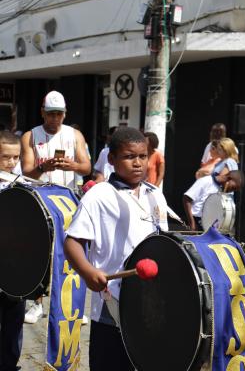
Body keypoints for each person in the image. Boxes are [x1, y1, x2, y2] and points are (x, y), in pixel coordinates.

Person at [64, 127, 168, 371]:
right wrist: (88, 272)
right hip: (111, 300)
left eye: (143, 156)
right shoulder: (99, 195)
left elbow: (162, 241)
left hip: (148, 300)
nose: (138, 163)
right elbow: (72, 242)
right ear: (112, 160)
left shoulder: (155, 195)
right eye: (129, 157)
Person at [21, 90, 91, 324]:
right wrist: (45, 166)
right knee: (41, 252)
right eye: (51, 114)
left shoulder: (74, 135)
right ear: (42, 113)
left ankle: (72, 304)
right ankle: (37, 303)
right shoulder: (31, 136)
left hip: (68, 200)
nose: (55, 119)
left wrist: (71, 165)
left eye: (59, 114)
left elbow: (86, 167)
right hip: (40, 199)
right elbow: (27, 170)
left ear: (65, 113)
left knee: (73, 252)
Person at [0, 131, 25, 371]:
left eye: (16, 157)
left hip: (15, 266)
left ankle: (9, 365)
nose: (11, 162)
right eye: (5, 157)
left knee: (14, 321)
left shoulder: (22, 184)